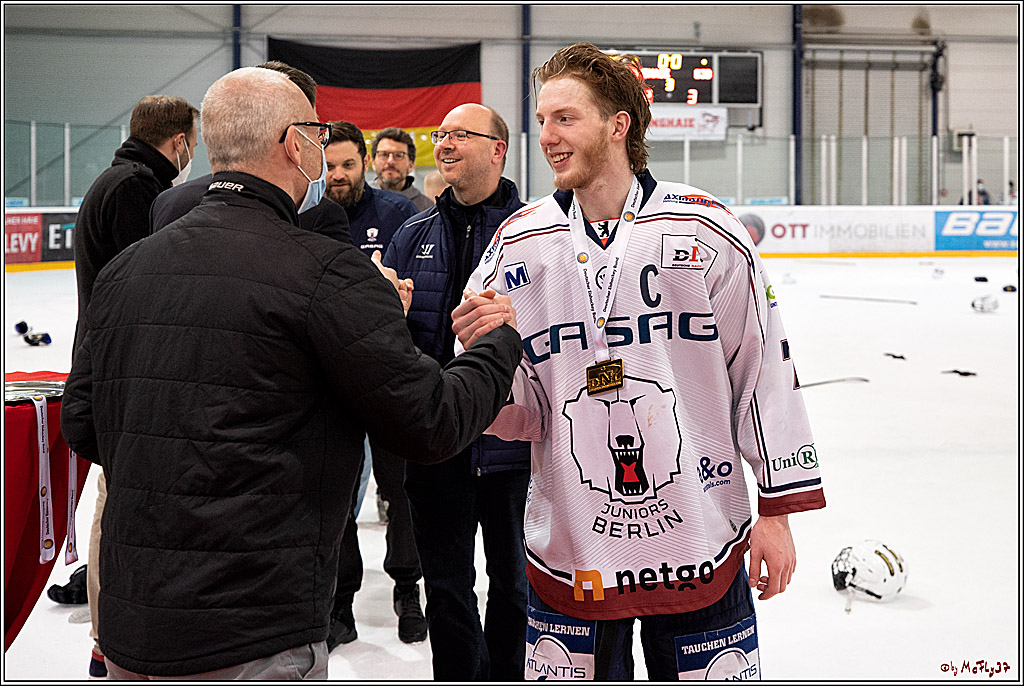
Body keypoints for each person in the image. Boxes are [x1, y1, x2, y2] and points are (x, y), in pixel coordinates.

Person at [60, 66, 522, 680]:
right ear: (293, 145)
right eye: (316, 132)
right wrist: (497, 345)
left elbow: (83, 423)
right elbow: (429, 421)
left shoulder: (125, 272)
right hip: (255, 628)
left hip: (131, 628)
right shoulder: (324, 272)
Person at [453, 43, 826, 680]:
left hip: (702, 535)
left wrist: (776, 511)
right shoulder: (519, 245)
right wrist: (487, 350)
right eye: (542, 121)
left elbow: (761, 368)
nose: (546, 137)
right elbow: (524, 407)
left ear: (617, 125)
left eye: (565, 118)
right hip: (575, 539)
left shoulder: (706, 231)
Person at [383, 104, 531, 680]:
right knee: (445, 587)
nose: (443, 144)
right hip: (436, 448)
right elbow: (389, 347)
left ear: (497, 149)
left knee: (514, 586)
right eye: (439, 135)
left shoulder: (537, 233)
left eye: (459, 136)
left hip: (512, 453)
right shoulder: (410, 235)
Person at [70, 92, 199, 680]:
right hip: (117, 366)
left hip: (108, 360)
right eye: (191, 145)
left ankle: (111, 631)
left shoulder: (117, 178)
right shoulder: (134, 190)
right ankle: (106, 634)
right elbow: (138, 285)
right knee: (114, 500)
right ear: (179, 143)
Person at [320, 120, 427, 648]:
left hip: (390, 375)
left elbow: (421, 292)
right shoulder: (310, 219)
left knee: (399, 491)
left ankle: (409, 590)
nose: (339, 175)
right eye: (331, 165)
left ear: (363, 163)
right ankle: (340, 603)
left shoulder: (401, 215)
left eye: (348, 164)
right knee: (337, 495)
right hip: (333, 382)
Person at [150, 60, 351, 245]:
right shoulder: (319, 212)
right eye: (312, 127)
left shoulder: (169, 201)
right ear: (294, 139)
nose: (317, 141)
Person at [371, 127, 433, 211]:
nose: (390, 161)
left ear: (410, 165)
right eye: (384, 154)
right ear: (373, 163)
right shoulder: (358, 200)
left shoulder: (426, 208)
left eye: (399, 155)